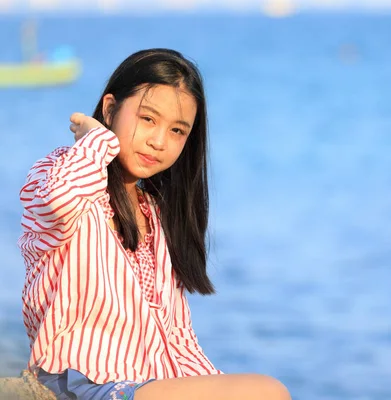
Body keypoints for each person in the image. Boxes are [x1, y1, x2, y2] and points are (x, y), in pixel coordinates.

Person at [18, 48, 291, 400]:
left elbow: (177, 336)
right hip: (78, 383)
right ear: (110, 108)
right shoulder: (60, 172)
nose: (159, 141)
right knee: (267, 391)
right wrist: (96, 140)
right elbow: (55, 201)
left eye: (177, 130)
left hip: (146, 385)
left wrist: (213, 384)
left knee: (260, 391)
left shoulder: (156, 215)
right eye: (148, 119)